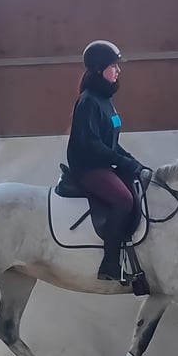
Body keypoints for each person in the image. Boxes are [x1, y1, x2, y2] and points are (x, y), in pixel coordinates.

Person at [66, 40, 147, 281]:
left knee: (137, 185)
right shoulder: (89, 100)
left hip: (102, 162)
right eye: (114, 66)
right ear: (100, 68)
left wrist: (131, 161)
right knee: (123, 199)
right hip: (87, 166)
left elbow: (110, 143)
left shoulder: (105, 100)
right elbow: (91, 144)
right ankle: (110, 264)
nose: (118, 70)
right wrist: (121, 162)